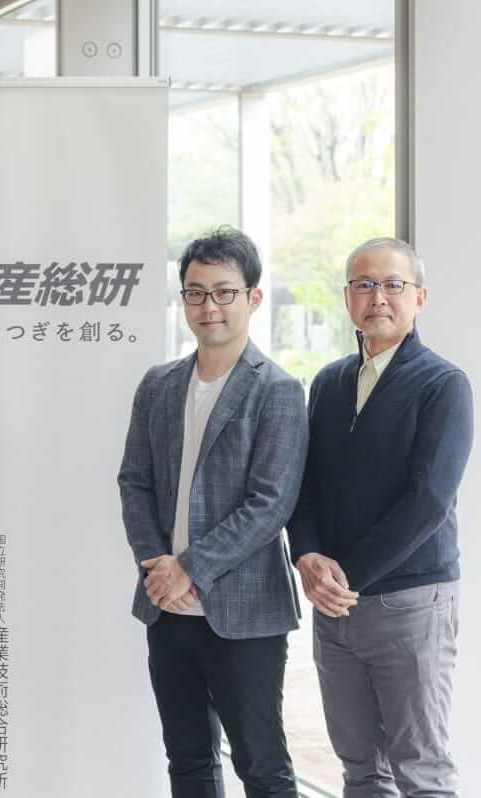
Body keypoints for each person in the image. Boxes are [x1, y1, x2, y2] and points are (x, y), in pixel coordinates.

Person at [118, 226, 308, 797]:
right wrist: (157, 565)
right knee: (187, 760)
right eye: (196, 293)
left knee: (261, 764)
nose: (209, 307)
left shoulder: (277, 390)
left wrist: (189, 568)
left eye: (225, 292)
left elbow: (270, 503)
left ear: (253, 297)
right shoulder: (158, 385)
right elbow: (134, 481)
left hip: (244, 611)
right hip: (167, 607)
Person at [288, 238, 474, 797]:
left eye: (393, 284)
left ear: (419, 297)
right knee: (361, 771)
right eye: (364, 284)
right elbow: (305, 484)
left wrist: (345, 577)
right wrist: (307, 555)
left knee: (422, 771)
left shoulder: (443, 385)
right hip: (336, 606)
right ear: (348, 297)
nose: (378, 297)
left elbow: (429, 500)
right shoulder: (329, 383)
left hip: (409, 602)